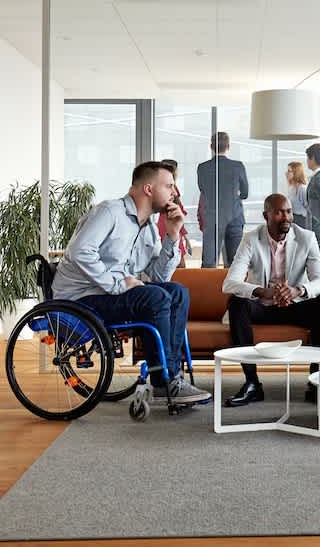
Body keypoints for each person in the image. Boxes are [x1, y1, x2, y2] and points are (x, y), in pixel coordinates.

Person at [52, 161, 211, 404]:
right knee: (154, 297)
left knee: (177, 292)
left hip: (110, 295)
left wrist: (172, 234)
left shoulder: (147, 228)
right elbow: (80, 251)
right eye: (169, 186)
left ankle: (172, 374)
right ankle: (164, 380)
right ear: (148, 189)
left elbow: (159, 278)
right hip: (81, 297)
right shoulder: (109, 212)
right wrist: (118, 285)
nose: (174, 193)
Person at [221, 194, 320, 408]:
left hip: (294, 306)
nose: (285, 217)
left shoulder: (307, 237)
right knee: (236, 303)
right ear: (266, 215)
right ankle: (252, 384)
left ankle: (316, 383)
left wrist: (297, 291)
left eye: (288, 212)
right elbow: (229, 283)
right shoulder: (251, 238)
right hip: (263, 307)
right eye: (278, 212)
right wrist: (263, 292)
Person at [196, 132, 249, 268]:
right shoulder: (238, 166)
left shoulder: (202, 168)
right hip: (234, 217)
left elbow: (202, 189)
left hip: (212, 218)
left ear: (211, 147)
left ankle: (208, 289)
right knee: (235, 264)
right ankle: (232, 289)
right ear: (228, 146)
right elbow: (245, 193)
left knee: (209, 263)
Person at [156, 158, 190, 268]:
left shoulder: (168, 188)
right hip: (169, 224)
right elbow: (177, 213)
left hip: (166, 224)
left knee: (171, 259)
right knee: (178, 262)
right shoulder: (170, 190)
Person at [285, 161, 309, 229]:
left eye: (289, 171)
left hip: (301, 222)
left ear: (296, 173)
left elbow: (309, 209)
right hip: (292, 220)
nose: (286, 173)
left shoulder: (302, 189)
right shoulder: (291, 188)